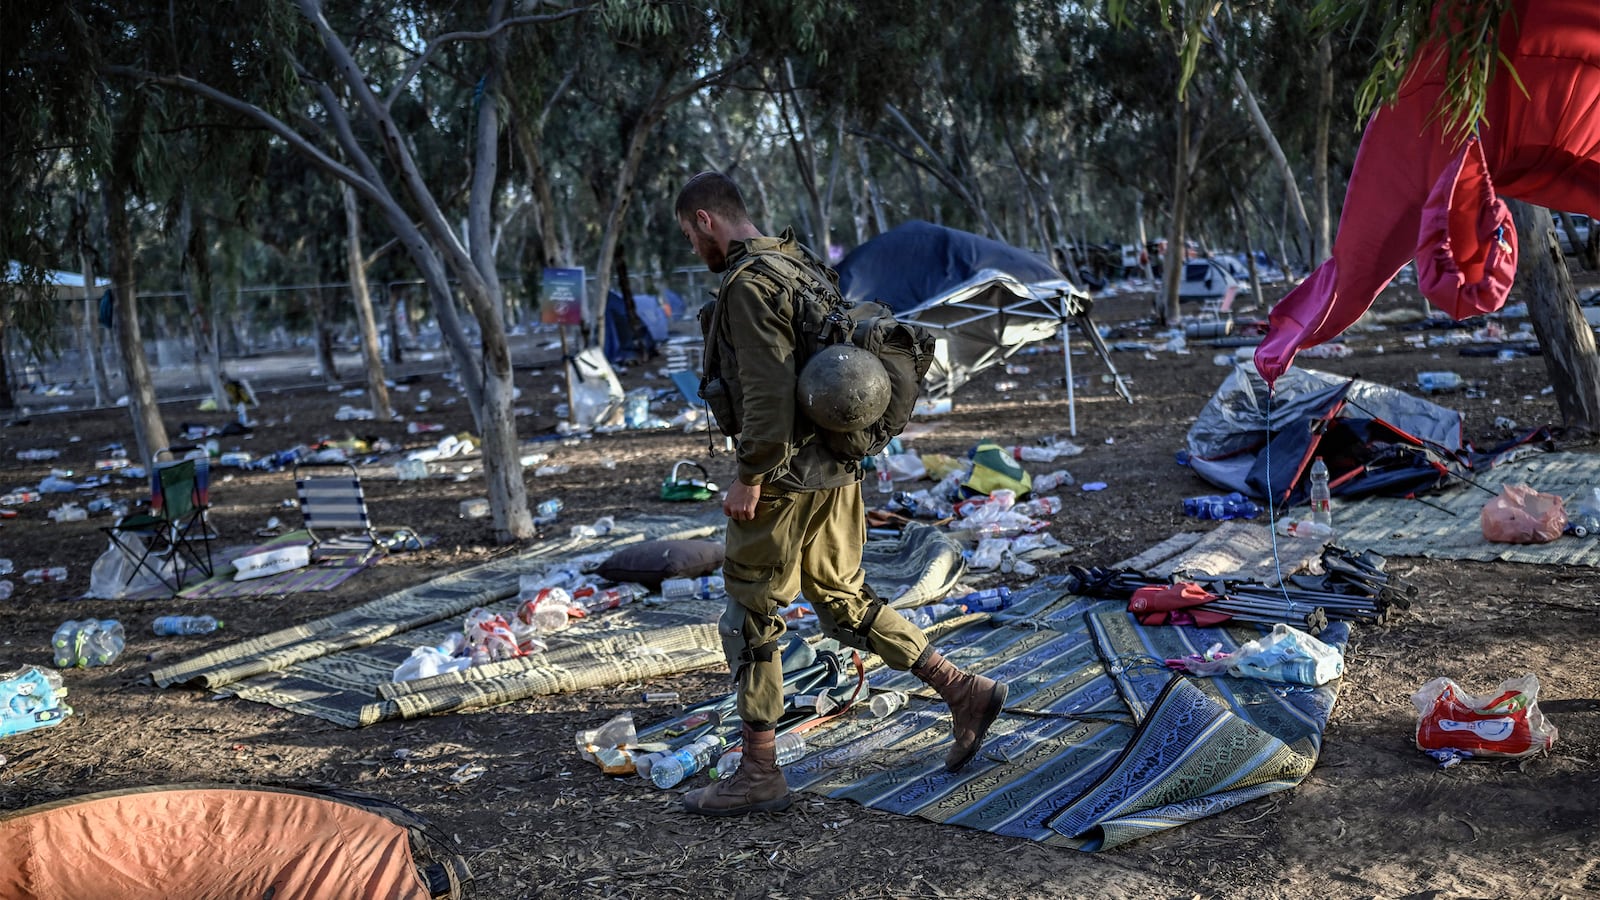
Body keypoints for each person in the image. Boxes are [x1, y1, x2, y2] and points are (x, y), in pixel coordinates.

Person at [673, 171, 1008, 817]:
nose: (695, 248)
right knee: (843, 599)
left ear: (706, 220)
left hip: (784, 479)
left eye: (691, 235)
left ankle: (759, 772)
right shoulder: (799, 265)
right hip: (836, 468)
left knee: (751, 614)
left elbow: (768, 393)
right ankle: (962, 689)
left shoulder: (749, 284)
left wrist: (750, 476)